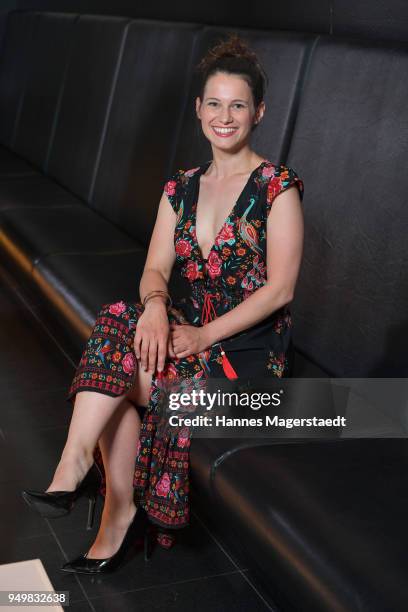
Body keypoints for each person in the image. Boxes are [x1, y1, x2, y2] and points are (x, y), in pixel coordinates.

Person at [21, 33, 304, 574]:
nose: (225, 116)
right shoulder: (180, 187)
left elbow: (281, 290)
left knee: (117, 372)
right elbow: (155, 269)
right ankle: (87, 477)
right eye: (214, 103)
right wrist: (154, 305)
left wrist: (202, 335)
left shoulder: (278, 187)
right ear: (198, 109)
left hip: (246, 369)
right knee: (123, 321)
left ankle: (102, 498)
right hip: (188, 341)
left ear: (259, 112)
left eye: (238, 105)